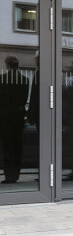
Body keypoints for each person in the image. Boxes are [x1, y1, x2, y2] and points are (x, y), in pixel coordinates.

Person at [0, 56, 29, 184]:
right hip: (18, 117)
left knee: (8, 147)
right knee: (18, 146)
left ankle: (9, 175)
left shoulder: (2, 79)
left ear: (7, 65)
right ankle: (16, 175)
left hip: (5, 118)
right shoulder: (25, 80)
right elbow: (23, 100)